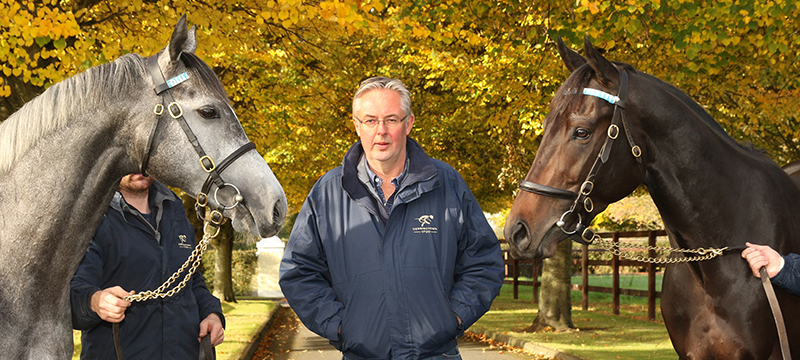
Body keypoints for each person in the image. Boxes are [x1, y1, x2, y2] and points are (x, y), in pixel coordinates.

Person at [279, 76, 505, 360]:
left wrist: (453, 317)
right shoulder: (327, 193)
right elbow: (299, 271)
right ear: (356, 125)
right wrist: (340, 327)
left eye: (391, 120)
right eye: (371, 121)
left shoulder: (446, 183)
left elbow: (484, 262)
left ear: (408, 124)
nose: (381, 132)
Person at [70, 174, 225, 359]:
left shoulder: (175, 209)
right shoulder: (91, 217)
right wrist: (95, 301)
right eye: (131, 160)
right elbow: (71, 292)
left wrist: (212, 314)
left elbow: (191, 280)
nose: (138, 167)